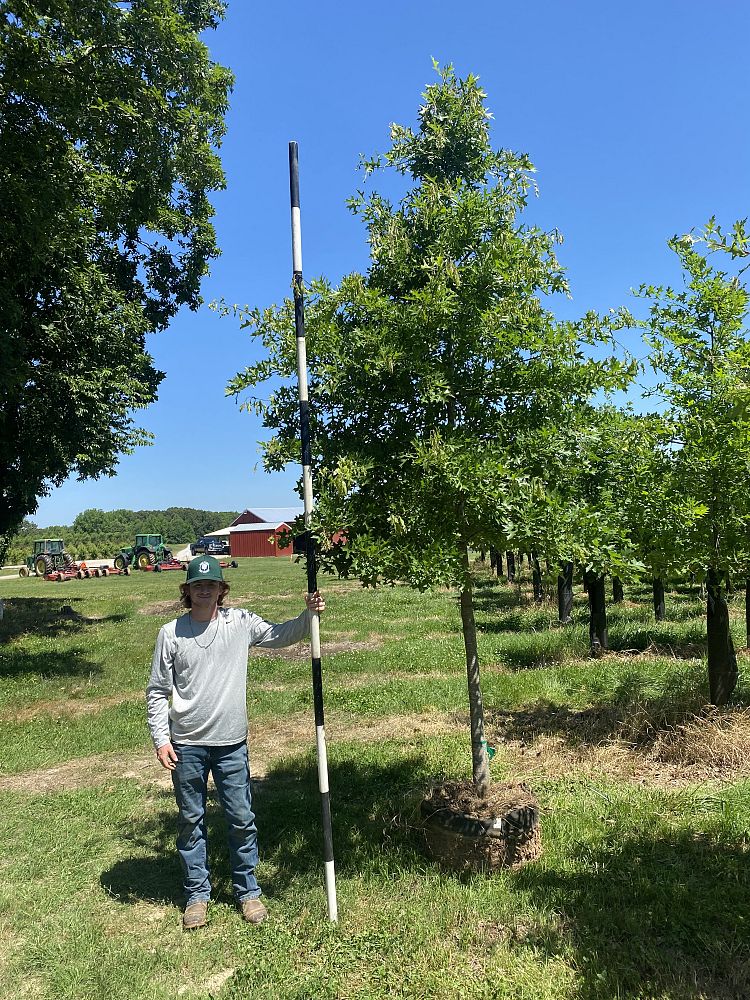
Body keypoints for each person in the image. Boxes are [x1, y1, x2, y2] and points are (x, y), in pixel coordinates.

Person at [146, 554, 325, 930]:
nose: (205, 590)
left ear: (222, 589)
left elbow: (281, 635)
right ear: (188, 590)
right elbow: (158, 691)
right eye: (198, 585)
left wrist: (309, 615)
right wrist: (162, 739)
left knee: (241, 818)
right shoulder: (171, 633)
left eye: (211, 584)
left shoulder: (240, 622)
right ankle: (197, 895)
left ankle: (248, 891)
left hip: (231, 743)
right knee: (190, 820)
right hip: (187, 744)